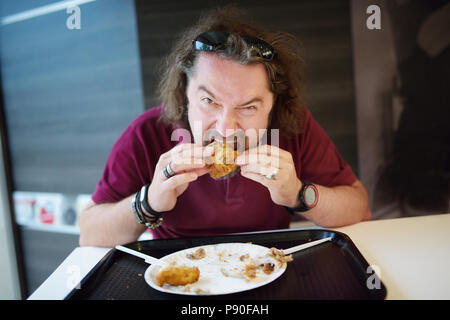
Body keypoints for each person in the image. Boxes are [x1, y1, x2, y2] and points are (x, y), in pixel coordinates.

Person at [79, 7, 371, 247]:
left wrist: (298, 193)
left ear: (273, 105)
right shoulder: (145, 134)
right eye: (209, 100)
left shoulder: (294, 126)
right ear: (185, 93)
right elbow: (90, 234)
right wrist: (150, 200)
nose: (226, 128)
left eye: (248, 107)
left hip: (270, 268)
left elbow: (359, 206)